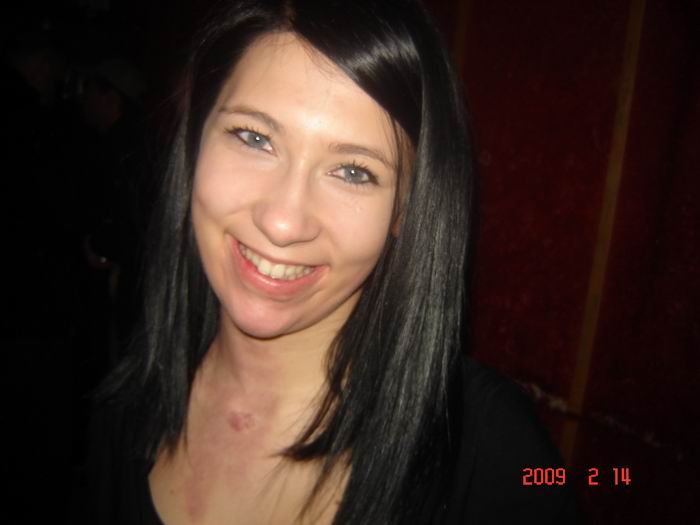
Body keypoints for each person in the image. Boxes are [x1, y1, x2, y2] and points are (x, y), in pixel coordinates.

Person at [84, 1, 581, 523]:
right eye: (254, 138)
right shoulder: (124, 406)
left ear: (407, 211)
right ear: (194, 142)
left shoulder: (494, 460)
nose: (282, 222)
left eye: (353, 171)